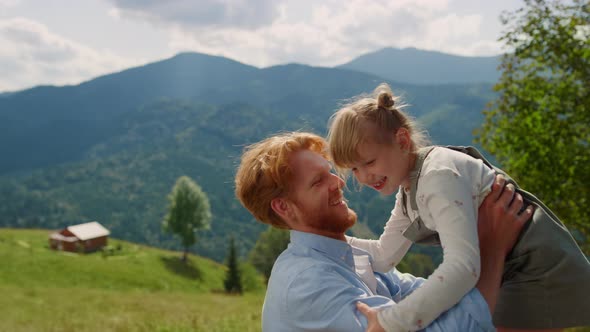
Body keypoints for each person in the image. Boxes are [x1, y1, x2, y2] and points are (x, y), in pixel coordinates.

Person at [327, 83, 590, 331]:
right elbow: (385, 256)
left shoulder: (437, 176)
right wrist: (327, 240)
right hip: (507, 268)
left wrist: (392, 322)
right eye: (354, 169)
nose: (363, 177)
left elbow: (464, 267)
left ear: (403, 141)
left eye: (369, 162)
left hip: (535, 270)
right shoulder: (408, 187)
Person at [235, 131, 529, 332]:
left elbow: (424, 296)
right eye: (317, 182)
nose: (338, 183)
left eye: (330, 172)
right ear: (284, 208)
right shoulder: (309, 284)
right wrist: (492, 248)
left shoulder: (349, 256)